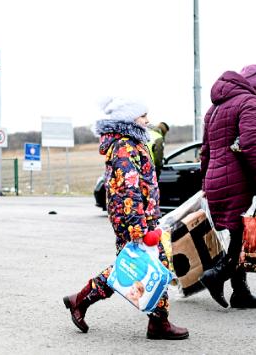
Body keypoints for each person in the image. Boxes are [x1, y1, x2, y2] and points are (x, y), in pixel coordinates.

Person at [62, 97, 189, 340]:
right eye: (142, 115)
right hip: (134, 221)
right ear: (128, 119)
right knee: (140, 267)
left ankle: (83, 300)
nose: (148, 120)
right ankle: (157, 323)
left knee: (139, 267)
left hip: (140, 218)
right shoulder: (125, 147)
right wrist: (139, 228)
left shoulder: (133, 143)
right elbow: (127, 190)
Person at [199, 64, 256, 309]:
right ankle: (215, 276)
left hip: (217, 179)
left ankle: (240, 292)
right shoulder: (249, 103)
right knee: (243, 238)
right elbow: (253, 143)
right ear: (253, 85)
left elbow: (205, 151)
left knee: (238, 233)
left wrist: (205, 182)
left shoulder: (215, 107)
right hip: (238, 178)